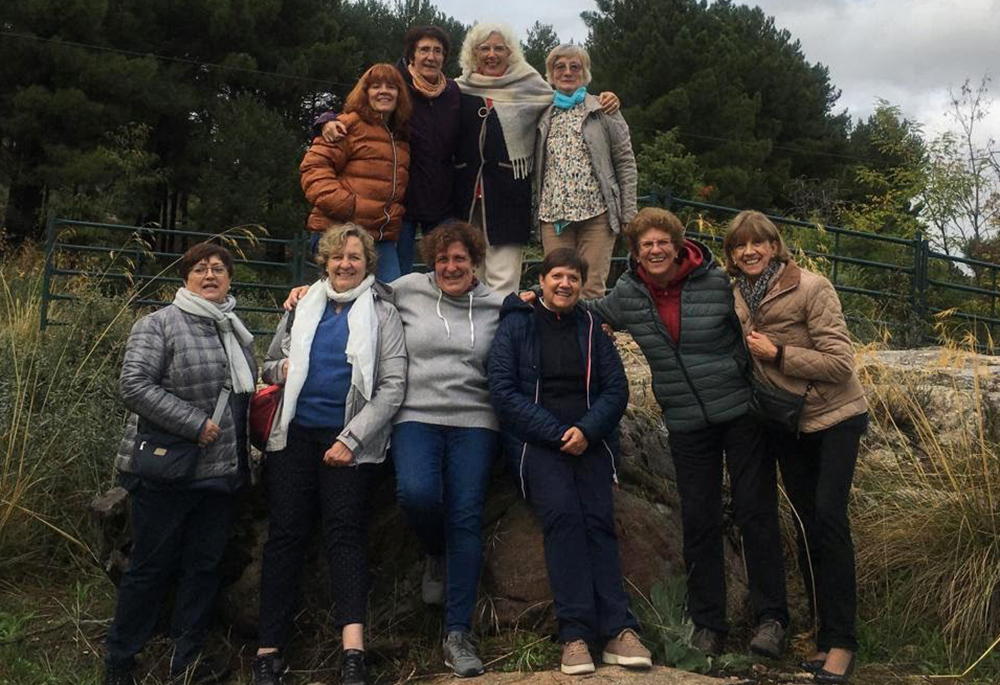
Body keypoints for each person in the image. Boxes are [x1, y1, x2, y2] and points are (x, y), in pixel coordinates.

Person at [282, 221, 504, 677]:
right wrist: (306, 291)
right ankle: (435, 551)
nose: (450, 267)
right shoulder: (403, 290)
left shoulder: (499, 305)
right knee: (417, 495)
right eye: (442, 259)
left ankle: (458, 632)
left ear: (475, 262)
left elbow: (543, 312)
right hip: (415, 414)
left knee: (465, 514)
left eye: (460, 259)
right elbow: (347, 284)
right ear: (430, 261)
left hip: (475, 421)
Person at [580, 207, 789, 658]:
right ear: (635, 253)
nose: (655, 250)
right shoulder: (629, 293)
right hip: (686, 421)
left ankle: (772, 618)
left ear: (678, 246)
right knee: (699, 520)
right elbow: (589, 311)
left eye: (663, 242)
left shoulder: (717, 283)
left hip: (740, 413)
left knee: (756, 513)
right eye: (645, 245)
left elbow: (768, 317)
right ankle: (708, 623)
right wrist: (533, 298)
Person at [252, 224, 407, 685]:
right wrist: (285, 366)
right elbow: (269, 363)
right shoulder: (302, 304)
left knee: (345, 536)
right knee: (284, 538)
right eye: (338, 257)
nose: (345, 264)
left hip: (350, 444)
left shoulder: (383, 313)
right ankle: (268, 650)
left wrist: (352, 439)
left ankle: (353, 655)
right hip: (293, 437)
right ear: (325, 262)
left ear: (367, 264)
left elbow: (393, 386)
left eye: (355, 257)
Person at [488, 248, 651, 675]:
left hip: (589, 439)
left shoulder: (595, 327)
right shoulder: (516, 325)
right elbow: (503, 391)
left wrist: (587, 430)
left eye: (573, 279)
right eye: (557, 276)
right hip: (537, 442)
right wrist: (555, 433)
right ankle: (575, 633)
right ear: (540, 281)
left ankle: (619, 629)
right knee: (563, 515)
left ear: (582, 285)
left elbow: (616, 390)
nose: (565, 284)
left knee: (598, 517)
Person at [724, 211, 869, 685]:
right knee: (808, 527)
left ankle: (843, 643)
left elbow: (841, 362)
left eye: (757, 244)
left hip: (835, 417)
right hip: (788, 422)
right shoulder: (737, 294)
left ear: (774, 245)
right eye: (739, 246)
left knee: (829, 519)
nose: (749, 252)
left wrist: (780, 354)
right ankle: (825, 636)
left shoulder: (811, 286)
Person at [104, 243, 257, 685]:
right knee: (150, 567)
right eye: (201, 269)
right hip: (166, 473)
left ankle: (185, 661)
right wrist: (193, 423)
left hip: (220, 475)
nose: (211, 275)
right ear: (185, 277)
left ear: (230, 278)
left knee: (204, 568)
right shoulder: (158, 325)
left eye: (219, 269)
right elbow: (133, 386)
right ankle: (120, 661)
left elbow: (243, 398)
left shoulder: (235, 329)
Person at [453, 23, 620, 297]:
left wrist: (608, 98)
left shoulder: (530, 86)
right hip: (465, 197)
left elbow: (570, 95)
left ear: (511, 53)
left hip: (508, 198)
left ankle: (502, 336)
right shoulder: (458, 89)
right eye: (484, 48)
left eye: (499, 48)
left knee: (504, 278)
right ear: (473, 52)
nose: (492, 54)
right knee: (468, 272)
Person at [317, 26, 461, 277]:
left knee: (445, 275)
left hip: (439, 201)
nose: (431, 56)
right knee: (396, 282)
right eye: (424, 49)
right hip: (397, 209)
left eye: (438, 51)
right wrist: (324, 121)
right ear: (411, 56)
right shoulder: (395, 83)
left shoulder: (453, 92)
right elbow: (353, 113)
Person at [534, 45, 637, 299]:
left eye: (575, 67)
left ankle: (589, 338)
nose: (567, 72)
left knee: (591, 287)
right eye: (560, 67)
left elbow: (625, 161)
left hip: (598, 214)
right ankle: (559, 338)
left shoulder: (604, 109)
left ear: (585, 72)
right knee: (557, 285)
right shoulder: (542, 113)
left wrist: (628, 212)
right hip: (553, 215)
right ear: (550, 73)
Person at [300, 63, 411, 282]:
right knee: (339, 302)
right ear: (365, 92)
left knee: (389, 299)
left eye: (391, 86)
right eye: (376, 86)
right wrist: (346, 205)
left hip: (380, 238)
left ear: (400, 94)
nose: (384, 91)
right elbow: (313, 167)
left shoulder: (400, 137)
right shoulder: (347, 124)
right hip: (338, 232)